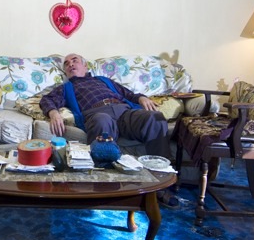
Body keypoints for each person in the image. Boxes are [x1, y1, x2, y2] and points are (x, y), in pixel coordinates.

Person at [40, 53, 178, 207]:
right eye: (66, 63)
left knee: (155, 118)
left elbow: (128, 94)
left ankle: (161, 181)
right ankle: (105, 185)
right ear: (65, 72)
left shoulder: (103, 80)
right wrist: (53, 113)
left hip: (124, 112)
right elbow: (47, 100)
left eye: (74, 61)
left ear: (85, 66)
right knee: (102, 121)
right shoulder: (66, 88)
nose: (70, 64)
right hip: (97, 113)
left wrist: (141, 98)